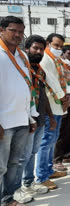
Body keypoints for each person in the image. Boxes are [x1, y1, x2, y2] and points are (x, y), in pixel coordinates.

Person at [13, 35, 57, 204]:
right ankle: (18, 189)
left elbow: (43, 96)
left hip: (40, 119)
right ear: (27, 49)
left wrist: (50, 117)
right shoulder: (21, 68)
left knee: (32, 153)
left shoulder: (40, 71)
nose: (38, 52)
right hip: (26, 119)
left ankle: (29, 183)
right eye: (35, 48)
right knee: (21, 156)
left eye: (41, 49)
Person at [0, 15, 37, 206]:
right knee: (0, 167)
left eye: (21, 32)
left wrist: (31, 117)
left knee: (14, 165)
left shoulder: (22, 56)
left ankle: (8, 198)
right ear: (1, 30)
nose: (17, 35)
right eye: (13, 30)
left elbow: (27, 88)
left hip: (22, 120)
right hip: (3, 123)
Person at [37, 33, 70, 190]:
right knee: (47, 141)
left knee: (53, 138)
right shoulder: (46, 59)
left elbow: (62, 79)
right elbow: (51, 80)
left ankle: (49, 170)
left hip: (58, 105)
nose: (58, 49)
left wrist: (66, 95)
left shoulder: (56, 60)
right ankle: (42, 176)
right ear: (48, 43)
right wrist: (63, 96)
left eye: (60, 46)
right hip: (50, 105)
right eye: (56, 45)